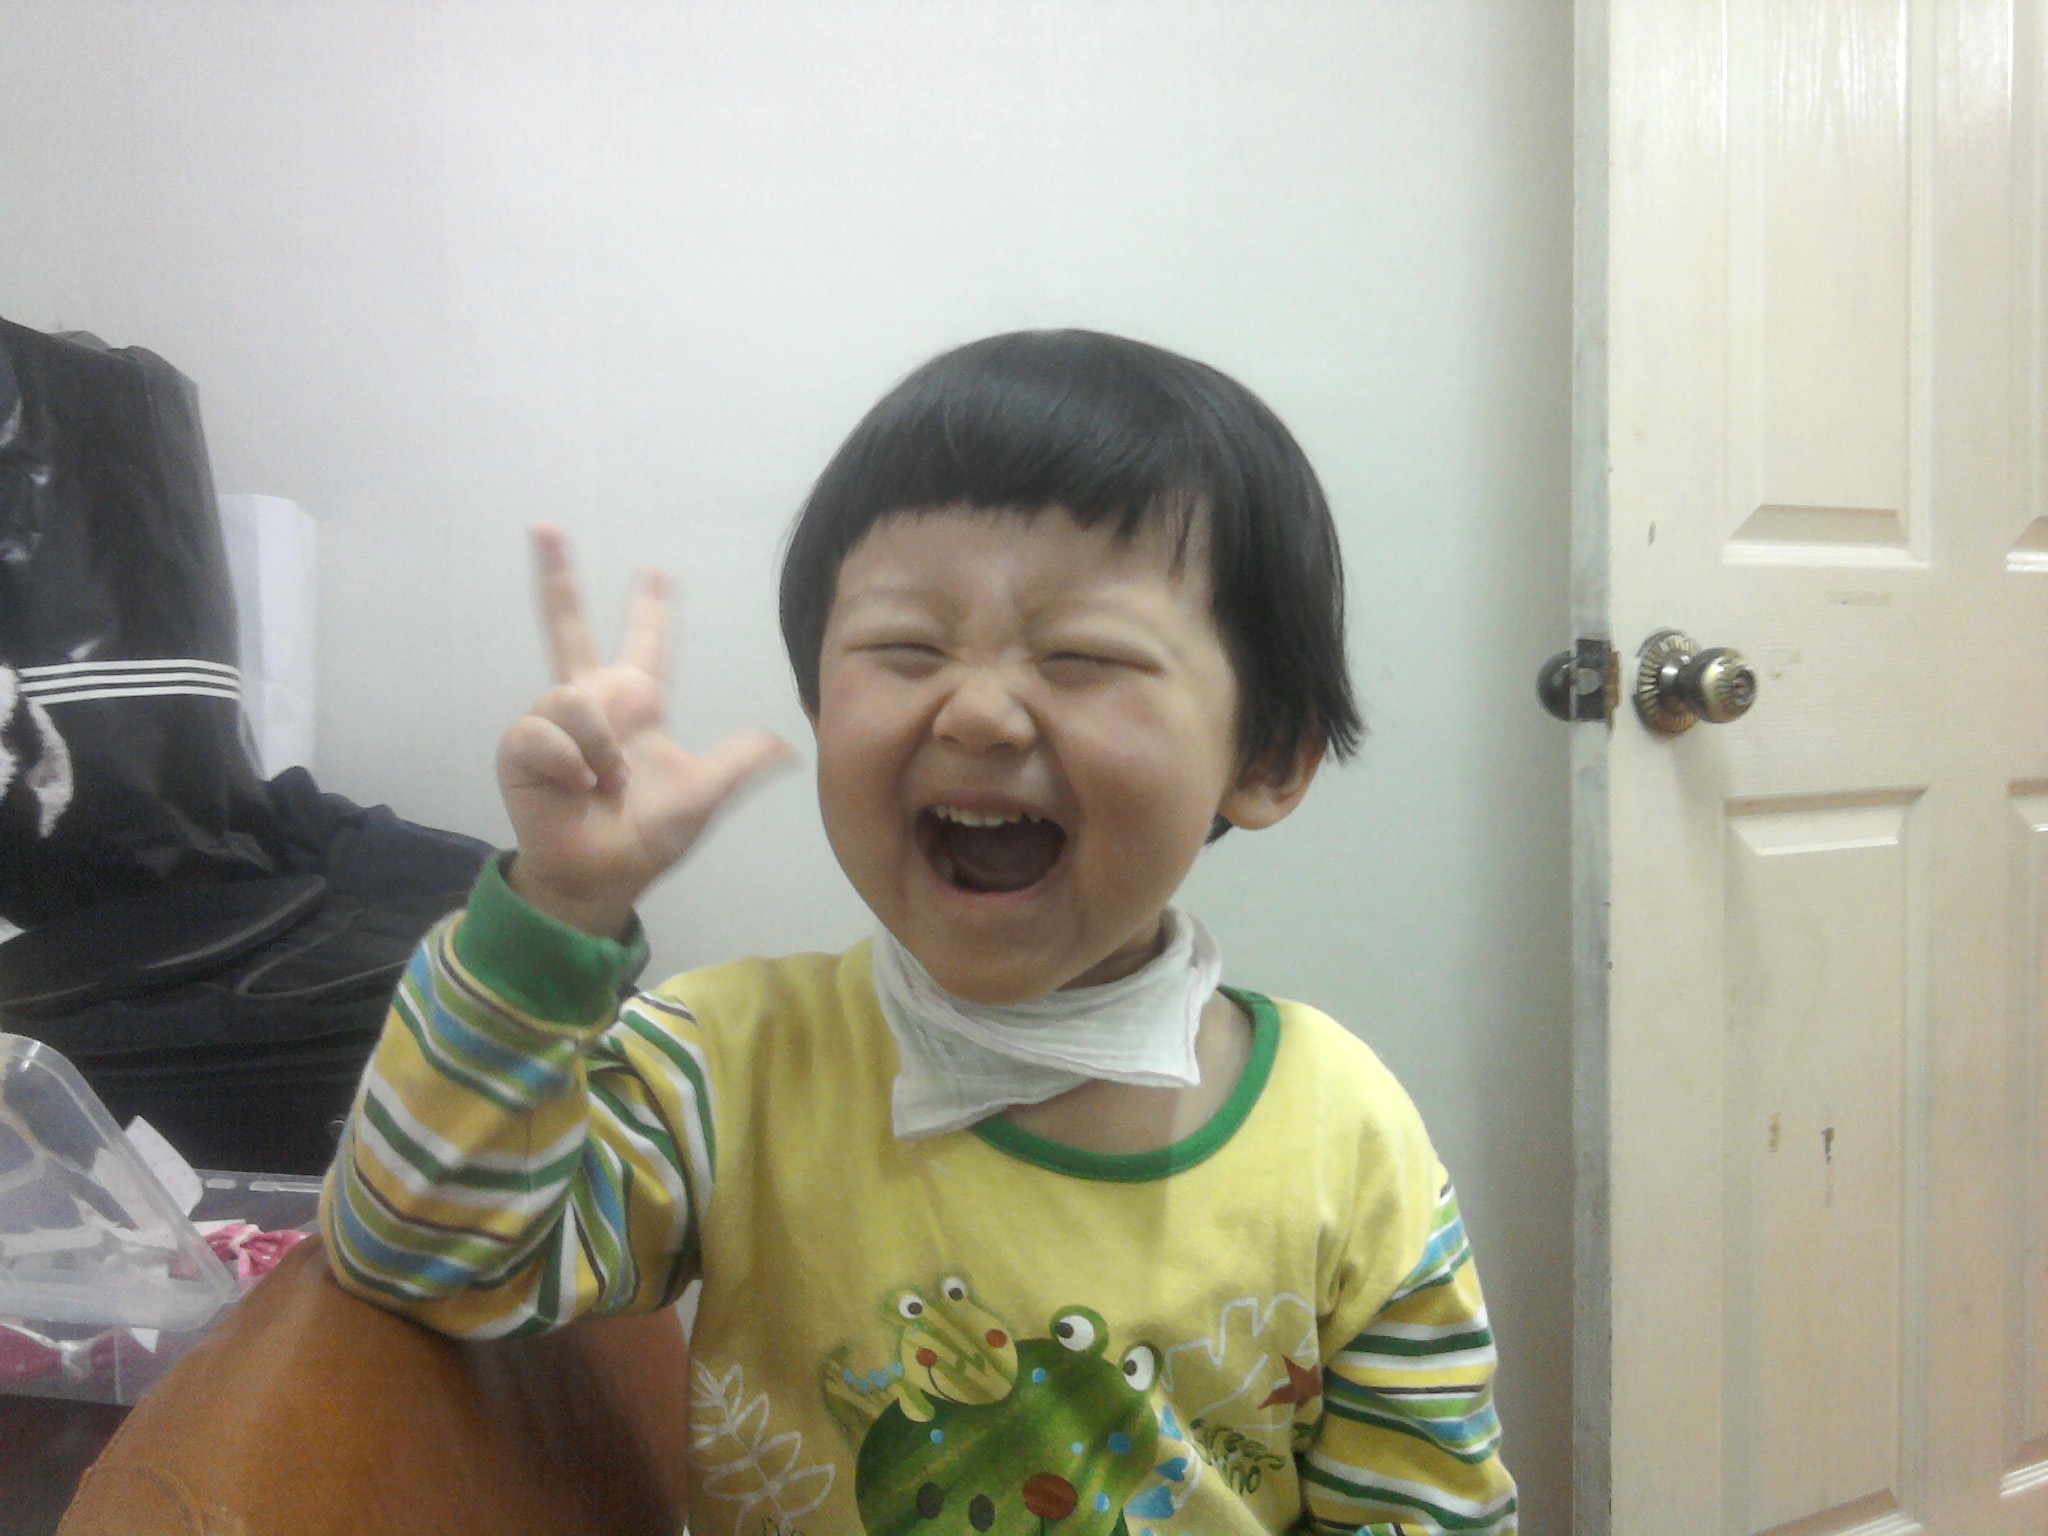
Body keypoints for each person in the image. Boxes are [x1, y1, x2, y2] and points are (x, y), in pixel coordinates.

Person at [319, 330, 1518, 1536]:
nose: (979, 711)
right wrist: (555, 910)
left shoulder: (1344, 1138)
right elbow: (427, 1256)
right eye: (903, 649)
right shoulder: (724, 1068)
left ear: (1263, 758)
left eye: (1083, 655)